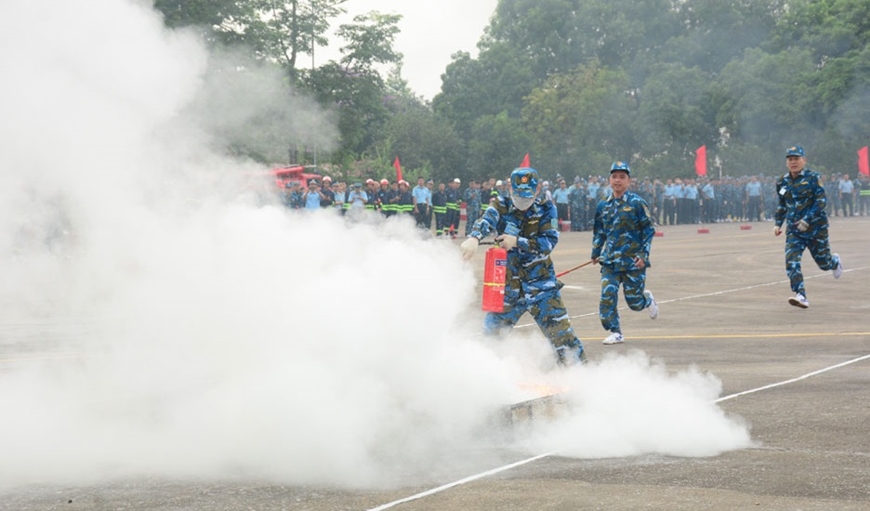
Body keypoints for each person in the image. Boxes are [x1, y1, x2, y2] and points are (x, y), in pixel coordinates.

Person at [459, 167, 586, 366]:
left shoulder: (546, 208)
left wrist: (517, 242)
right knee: (490, 342)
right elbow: (487, 218)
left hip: (541, 287)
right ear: (511, 189)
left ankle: (581, 381)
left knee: (564, 341)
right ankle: (485, 382)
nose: (522, 202)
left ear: (536, 191)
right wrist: (474, 238)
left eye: (527, 197)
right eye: (519, 196)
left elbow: (548, 244)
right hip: (509, 290)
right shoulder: (501, 204)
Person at [591, 162, 658, 345]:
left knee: (634, 303)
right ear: (609, 180)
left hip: (632, 262)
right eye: (614, 177)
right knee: (607, 295)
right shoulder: (603, 205)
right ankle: (615, 331)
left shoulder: (637, 204)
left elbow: (648, 230)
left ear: (629, 181)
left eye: (622, 177)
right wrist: (595, 252)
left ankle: (647, 299)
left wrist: (643, 256)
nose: (617, 180)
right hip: (610, 261)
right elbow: (599, 231)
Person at [774, 146, 844, 308]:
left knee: (823, 263)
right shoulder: (782, 182)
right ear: (786, 162)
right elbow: (782, 204)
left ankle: (834, 262)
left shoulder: (813, 178)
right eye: (790, 159)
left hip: (816, 229)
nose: (793, 162)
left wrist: (807, 219)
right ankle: (801, 295)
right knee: (791, 261)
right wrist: (778, 223)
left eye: (796, 158)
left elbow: (821, 202)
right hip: (794, 230)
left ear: (804, 160)